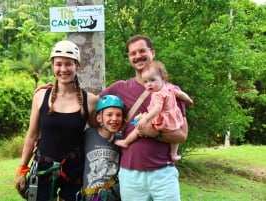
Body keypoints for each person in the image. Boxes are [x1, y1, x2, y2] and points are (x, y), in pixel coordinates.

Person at [99, 34, 189, 201]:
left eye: (142, 51)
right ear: (129, 57)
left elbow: (182, 135)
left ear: (152, 53)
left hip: (163, 173)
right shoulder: (120, 88)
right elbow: (91, 102)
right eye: (133, 53)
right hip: (130, 175)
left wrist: (154, 133)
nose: (137, 56)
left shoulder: (171, 91)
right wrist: (58, 89)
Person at [15, 40, 98, 201]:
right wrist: (23, 168)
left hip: (74, 170)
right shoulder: (40, 97)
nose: (63, 69)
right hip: (43, 168)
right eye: (58, 64)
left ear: (77, 66)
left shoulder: (90, 101)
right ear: (53, 67)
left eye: (69, 64)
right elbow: (32, 136)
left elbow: (99, 132)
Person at [115, 60, 193, 161]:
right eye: (146, 82)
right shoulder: (169, 88)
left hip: (161, 120)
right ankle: (173, 154)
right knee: (174, 139)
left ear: (162, 78)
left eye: (152, 80)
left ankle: (126, 142)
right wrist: (189, 100)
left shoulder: (157, 94)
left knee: (138, 127)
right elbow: (181, 94)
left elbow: (157, 108)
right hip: (172, 120)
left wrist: (145, 118)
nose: (149, 84)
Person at [79, 95, 124, 201]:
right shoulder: (88, 135)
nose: (114, 119)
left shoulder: (122, 140)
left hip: (113, 196)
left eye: (119, 115)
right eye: (109, 115)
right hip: (90, 195)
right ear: (99, 118)